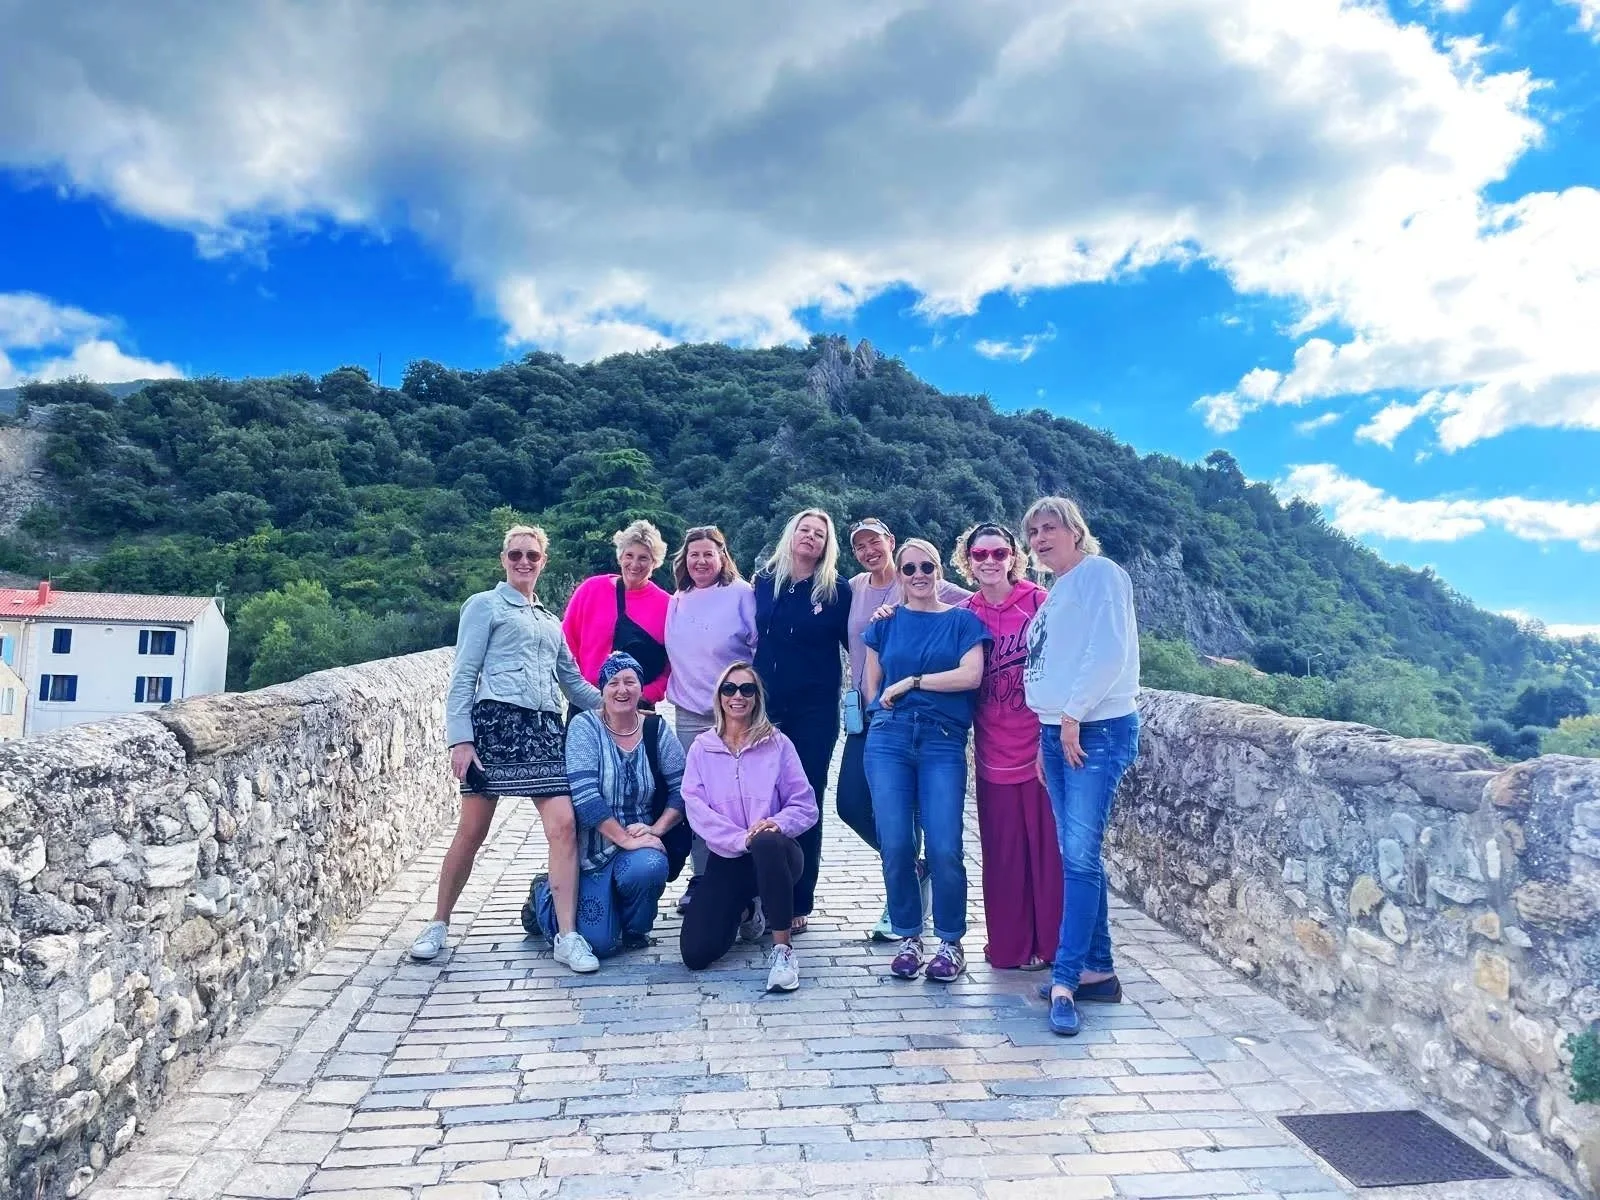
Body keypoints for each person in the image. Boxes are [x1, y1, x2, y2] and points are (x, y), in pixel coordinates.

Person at [415, 524, 603, 972]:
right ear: (503, 559)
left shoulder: (550, 622)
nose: (523, 561)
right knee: (472, 831)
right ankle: (438, 922)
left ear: (543, 562)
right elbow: (464, 673)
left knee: (563, 826)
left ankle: (567, 935)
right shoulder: (484, 605)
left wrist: (618, 704)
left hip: (543, 730)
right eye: (515, 554)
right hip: (495, 727)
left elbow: (572, 682)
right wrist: (461, 739)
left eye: (532, 555)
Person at [1022, 497, 1141, 1036]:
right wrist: (1048, 731)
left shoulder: (1100, 574)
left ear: (1075, 530)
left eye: (1050, 528)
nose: (1040, 539)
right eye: (1033, 532)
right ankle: (1099, 971)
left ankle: (1066, 980)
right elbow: (1053, 663)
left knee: (1078, 858)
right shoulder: (1058, 590)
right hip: (1059, 731)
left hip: (1095, 729)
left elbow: (1108, 651)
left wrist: (1072, 716)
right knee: (1079, 856)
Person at [862, 539, 990, 982]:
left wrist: (913, 682)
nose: (918, 575)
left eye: (927, 567)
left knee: (944, 845)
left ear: (939, 570)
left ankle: (951, 941)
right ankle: (909, 936)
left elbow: (971, 675)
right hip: (890, 738)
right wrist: (884, 712)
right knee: (896, 843)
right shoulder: (885, 623)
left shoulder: (963, 622)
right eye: (909, 568)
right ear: (899, 575)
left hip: (942, 740)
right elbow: (871, 685)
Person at [840, 517, 969, 939]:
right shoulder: (858, 589)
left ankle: (918, 920)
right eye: (859, 546)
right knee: (857, 810)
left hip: (928, 726)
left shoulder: (938, 593)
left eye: (874, 542)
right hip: (875, 719)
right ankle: (912, 882)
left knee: (926, 831)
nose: (868, 550)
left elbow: (979, 605)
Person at [527, 652, 684, 958]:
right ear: (602, 690)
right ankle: (543, 897)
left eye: (630, 682)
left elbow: (684, 788)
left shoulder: (656, 729)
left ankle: (633, 928)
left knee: (649, 866)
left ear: (641, 688)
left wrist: (656, 829)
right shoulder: (585, 727)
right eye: (613, 683)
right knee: (598, 945)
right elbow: (585, 797)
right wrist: (625, 839)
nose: (622, 690)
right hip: (592, 852)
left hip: (638, 845)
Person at [953, 522, 1059, 970]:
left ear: (1014, 557)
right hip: (991, 752)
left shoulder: (1039, 603)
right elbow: (917, 603)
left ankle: (1052, 946)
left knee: (1047, 855)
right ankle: (1010, 947)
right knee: (1004, 856)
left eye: (999, 553)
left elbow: (1063, 667)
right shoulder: (964, 613)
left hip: (1038, 749)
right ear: (968, 561)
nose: (990, 561)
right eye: (980, 555)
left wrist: (1051, 738)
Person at [679, 662, 817, 992]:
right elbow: (696, 809)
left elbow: (805, 804)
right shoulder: (701, 749)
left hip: (778, 854)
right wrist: (742, 839)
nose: (737, 696)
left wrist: (776, 823)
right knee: (695, 953)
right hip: (729, 857)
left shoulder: (778, 744)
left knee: (765, 842)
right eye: (729, 689)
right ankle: (747, 911)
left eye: (746, 689)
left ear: (757, 697)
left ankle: (783, 952)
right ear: (719, 697)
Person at [752, 509, 851, 933]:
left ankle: (799, 897)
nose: (811, 537)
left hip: (815, 710)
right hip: (765, 706)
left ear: (827, 545)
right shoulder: (763, 582)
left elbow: (859, 642)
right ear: (791, 535)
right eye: (804, 530)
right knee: (761, 795)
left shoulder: (837, 590)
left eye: (819, 534)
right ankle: (759, 892)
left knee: (805, 796)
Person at [663, 525, 759, 911]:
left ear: (722, 557)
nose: (701, 561)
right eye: (694, 554)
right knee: (697, 798)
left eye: (708, 554)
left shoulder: (741, 594)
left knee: (738, 797)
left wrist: (748, 698)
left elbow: (759, 648)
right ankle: (702, 877)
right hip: (689, 714)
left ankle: (747, 882)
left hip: (735, 712)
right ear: (684, 560)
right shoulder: (678, 599)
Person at [562, 520, 673, 708]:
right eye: (629, 555)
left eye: (643, 558)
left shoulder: (667, 605)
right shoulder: (591, 590)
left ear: (655, 562)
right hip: (587, 702)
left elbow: (672, 664)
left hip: (637, 706)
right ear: (620, 557)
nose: (634, 564)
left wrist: (648, 694)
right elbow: (565, 646)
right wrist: (578, 690)